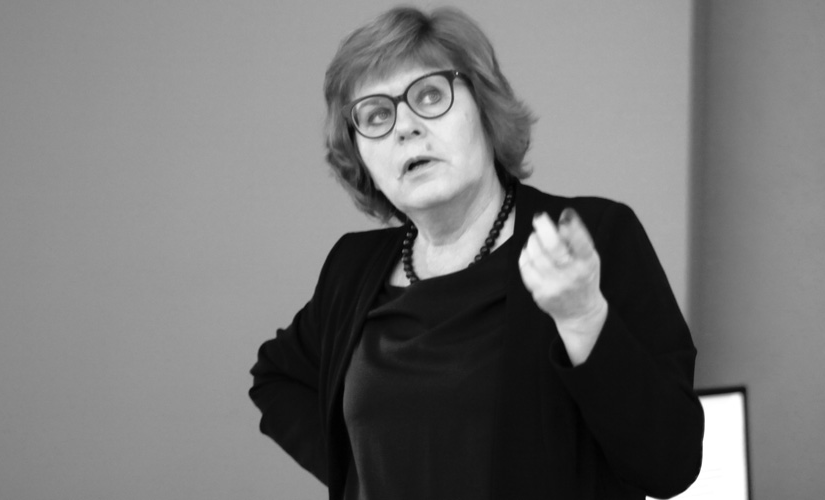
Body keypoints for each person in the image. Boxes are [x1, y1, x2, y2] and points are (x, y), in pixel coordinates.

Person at [248, 6, 703, 500]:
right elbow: (276, 377)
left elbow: (671, 463)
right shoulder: (352, 268)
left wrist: (583, 318)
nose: (405, 127)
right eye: (376, 115)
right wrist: (360, 476)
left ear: (485, 110)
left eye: (429, 95)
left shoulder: (594, 237)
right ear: (359, 154)